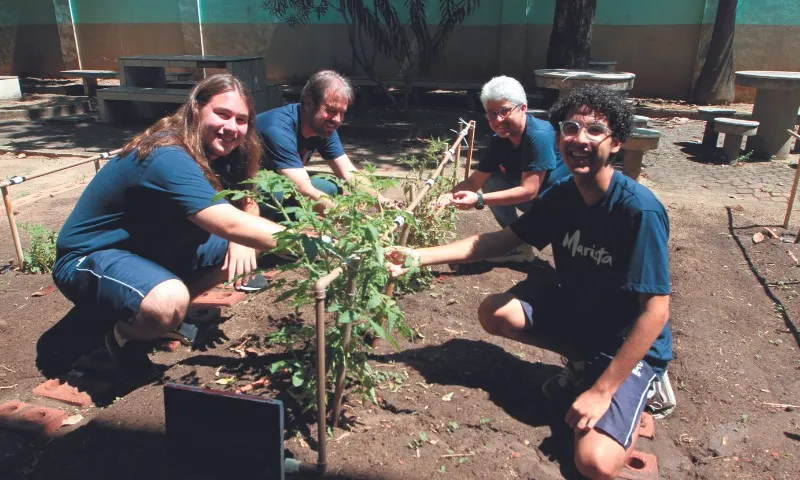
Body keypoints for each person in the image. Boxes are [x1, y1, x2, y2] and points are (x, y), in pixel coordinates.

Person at [388, 85, 674, 479]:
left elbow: (656, 311)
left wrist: (601, 391)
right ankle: (585, 364)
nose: (579, 138)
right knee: (495, 312)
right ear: (559, 138)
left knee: (594, 464)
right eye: (571, 128)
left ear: (617, 142)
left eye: (595, 130)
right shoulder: (562, 195)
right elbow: (501, 241)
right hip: (583, 316)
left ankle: (636, 384)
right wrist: (418, 256)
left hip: (627, 343)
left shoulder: (637, 210)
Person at [53, 73, 288, 386]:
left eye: (241, 119)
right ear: (195, 110)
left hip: (151, 249)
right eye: (222, 114)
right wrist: (316, 242)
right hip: (90, 258)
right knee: (167, 300)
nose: (231, 127)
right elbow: (227, 222)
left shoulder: (228, 152)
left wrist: (242, 237)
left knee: (249, 242)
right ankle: (122, 338)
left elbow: (247, 200)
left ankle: (160, 312)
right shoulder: (167, 154)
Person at [438, 76, 568, 261]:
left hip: (562, 205)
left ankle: (522, 240)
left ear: (523, 108)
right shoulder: (500, 140)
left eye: (504, 111)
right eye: (491, 113)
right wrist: (447, 197)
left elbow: (529, 191)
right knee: (493, 181)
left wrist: (479, 199)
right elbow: (475, 181)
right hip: (539, 200)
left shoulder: (538, 135)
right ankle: (520, 247)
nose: (498, 119)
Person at [255, 69, 396, 217]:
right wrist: (352, 219)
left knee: (330, 187)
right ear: (309, 102)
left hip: (280, 182)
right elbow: (304, 189)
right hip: (246, 190)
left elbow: (348, 173)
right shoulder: (277, 129)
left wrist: (383, 202)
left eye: (342, 113)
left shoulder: (322, 128)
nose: (337, 119)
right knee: (304, 195)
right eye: (331, 110)